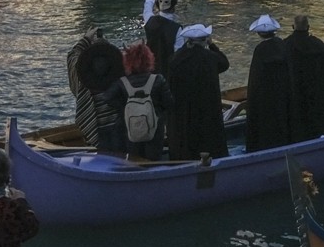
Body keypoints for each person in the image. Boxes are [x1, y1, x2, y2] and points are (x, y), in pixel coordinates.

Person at [166, 23, 229, 160]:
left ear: (188, 41)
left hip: (185, 109)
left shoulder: (176, 59)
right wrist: (213, 46)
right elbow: (224, 63)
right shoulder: (211, 57)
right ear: (205, 40)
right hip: (207, 107)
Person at [106, 43, 172, 161]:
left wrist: (124, 109)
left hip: (131, 126)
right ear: (149, 59)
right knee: (154, 159)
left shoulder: (122, 83)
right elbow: (169, 103)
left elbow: (108, 98)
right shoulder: (158, 79)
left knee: (134, 159)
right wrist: (158, 112)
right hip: (154, 127)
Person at [283, 13, 324, 141]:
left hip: (295, 91)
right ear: (308, 27)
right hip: (316, 91)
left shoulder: (285, 45)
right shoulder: (318, 45)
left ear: (293, 26)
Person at [242, 15, 294, 152]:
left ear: (259, 33)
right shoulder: (282, 45)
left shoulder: (260, 50)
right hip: (281, 94)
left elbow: (256, 78)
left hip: (264, 98)